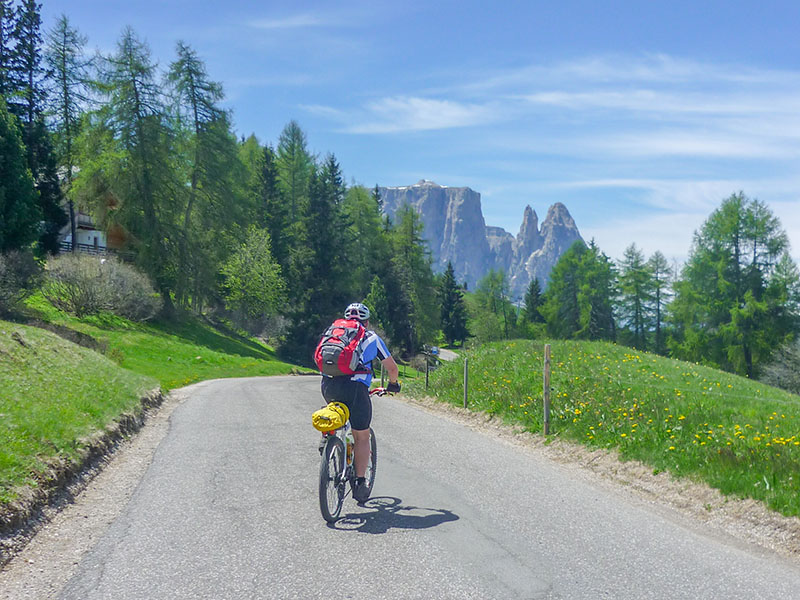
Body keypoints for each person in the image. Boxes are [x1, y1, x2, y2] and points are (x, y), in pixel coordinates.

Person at [320, 302, 400, 503]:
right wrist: (393, 385)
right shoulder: (370, 337)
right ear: (366, 320)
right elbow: (392, 368)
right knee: (362, 436)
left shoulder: (333, 332)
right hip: (355, 388)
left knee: (334, 410)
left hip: (328, 385)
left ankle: (328, 436)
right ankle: (360, 483)